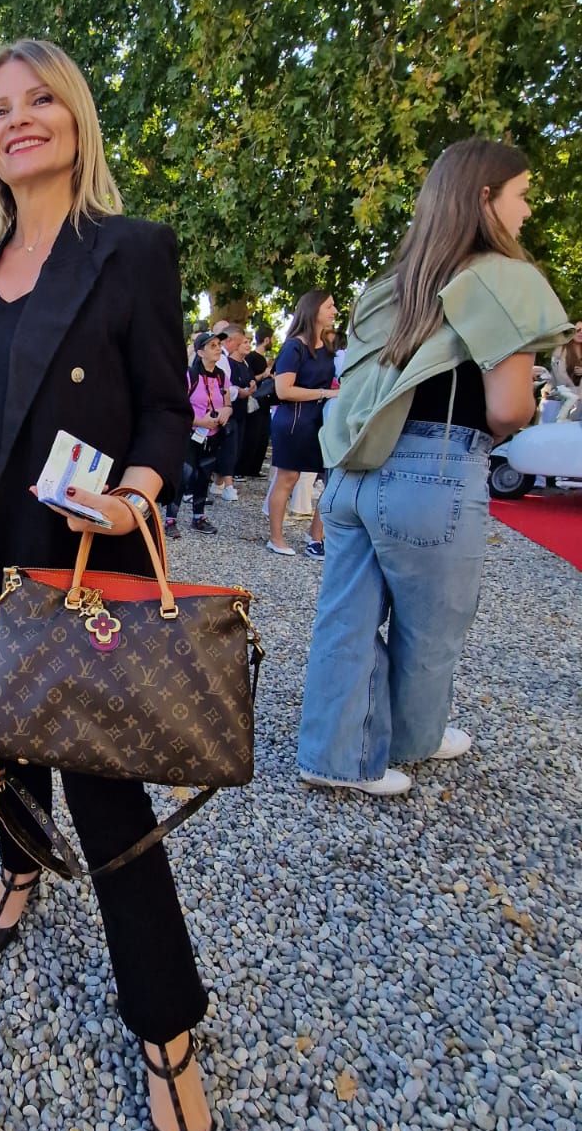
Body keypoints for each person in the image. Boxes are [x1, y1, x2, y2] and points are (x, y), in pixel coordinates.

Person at [0, 37, 218, 1131]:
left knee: (108, 795)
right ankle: (16, 869)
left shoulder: (131, 250)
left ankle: (168, 1035)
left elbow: (164, 407)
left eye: (41, 99)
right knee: (7, 738)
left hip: (76, 557)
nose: (18, 119)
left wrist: (139, 490)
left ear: (76, 118)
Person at [298, 139, 571, 797]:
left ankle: (334, 758)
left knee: (345, 617)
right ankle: (412, 740)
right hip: (437, 466)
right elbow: (509, 408)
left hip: (354, 468)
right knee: (431, 626)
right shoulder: (506, 279)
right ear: (486, 198)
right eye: (522, 195)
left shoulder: (391, 286)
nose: (528, 210)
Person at [265, 290, 338, 558]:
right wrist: (325, 393)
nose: (335, 311)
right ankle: (276, 537)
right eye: (329, 306)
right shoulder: (294, 347)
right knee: (288, 478)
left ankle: (315, 537)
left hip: (320, 421)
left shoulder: (328, 346)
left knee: (331, 480)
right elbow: (283, 390)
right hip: (294, 421)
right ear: (313, 309)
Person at [164, 331, 232, 535]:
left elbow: (228, 404)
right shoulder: (189, 375)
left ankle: (198, 517)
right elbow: (176, 408)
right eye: (212, 346)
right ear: (200, 352)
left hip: (212, 435)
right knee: (184, 475)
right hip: (190, 434)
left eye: (219, 344)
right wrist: (200, 421)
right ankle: (170, 520)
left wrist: (226, 412)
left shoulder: (222, 376)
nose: (218, 348)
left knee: (204, 475)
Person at [211, 324, 250, 501]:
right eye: (239, 343)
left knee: (229, 446)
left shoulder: (227, 358)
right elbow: (223, 386)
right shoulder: (222, 358)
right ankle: (226, 484)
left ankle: (220, 482)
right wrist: (238, 392)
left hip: (228, 408)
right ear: (230, 340)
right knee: (227, 447)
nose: (239, 346)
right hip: (220, 409)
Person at [236, 326, 274, 478]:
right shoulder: (251, 358)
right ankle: (242, 469)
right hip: (253, 402)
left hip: (263, 403)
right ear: (267, 339)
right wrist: (264, 375)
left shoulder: (258, 359)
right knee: (250, 437)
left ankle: (253, 468)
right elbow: (251, 379)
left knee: (261, 437)